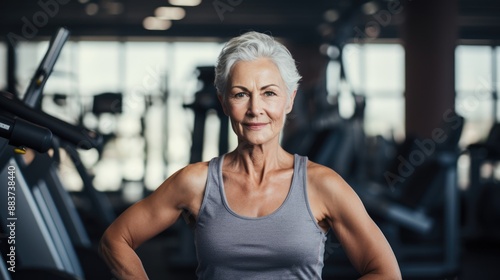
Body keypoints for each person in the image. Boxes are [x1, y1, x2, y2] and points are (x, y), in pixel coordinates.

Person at [99, 31, 402, 280]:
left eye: (269, 93)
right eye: (241, 94)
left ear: (289, 100)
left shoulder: (322, 185)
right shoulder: (196, 182)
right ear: (224, 101)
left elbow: (385, 272)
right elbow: (116, 239)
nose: (255, 109)